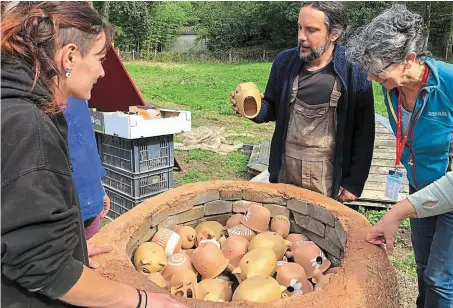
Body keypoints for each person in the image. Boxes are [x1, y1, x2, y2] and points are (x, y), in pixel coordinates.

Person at [1, 2, 187, 308]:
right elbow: (46, 270)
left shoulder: (27, 103)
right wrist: (145, 300)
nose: (102, 72)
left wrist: (73, 247)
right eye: (100, 59)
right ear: (70, 56)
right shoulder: (26, 125)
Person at [347, 4, 453, 308]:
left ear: (409, 60)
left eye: (379, 73)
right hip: (418, 189)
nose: (372, 80)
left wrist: (396, 213)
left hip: (450, 193)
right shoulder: (392, 88)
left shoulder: (448, 84)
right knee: (422, 270)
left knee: (440, 279)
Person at [230, 1, 375, 202]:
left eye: (311, 30)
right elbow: (271, 107)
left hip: (326, 175)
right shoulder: (284, 62)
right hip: (285, 168)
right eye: (299, 27)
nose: (301, 37)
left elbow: (364, 131)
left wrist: (354, 183)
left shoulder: (354, 69)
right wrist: (251, 109)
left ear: (334, 34)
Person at [64, 97, 110, 241]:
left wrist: (100, 188)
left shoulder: (78, 96)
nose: (101, 73)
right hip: (61, 208)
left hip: (89, 197)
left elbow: (87, 145)